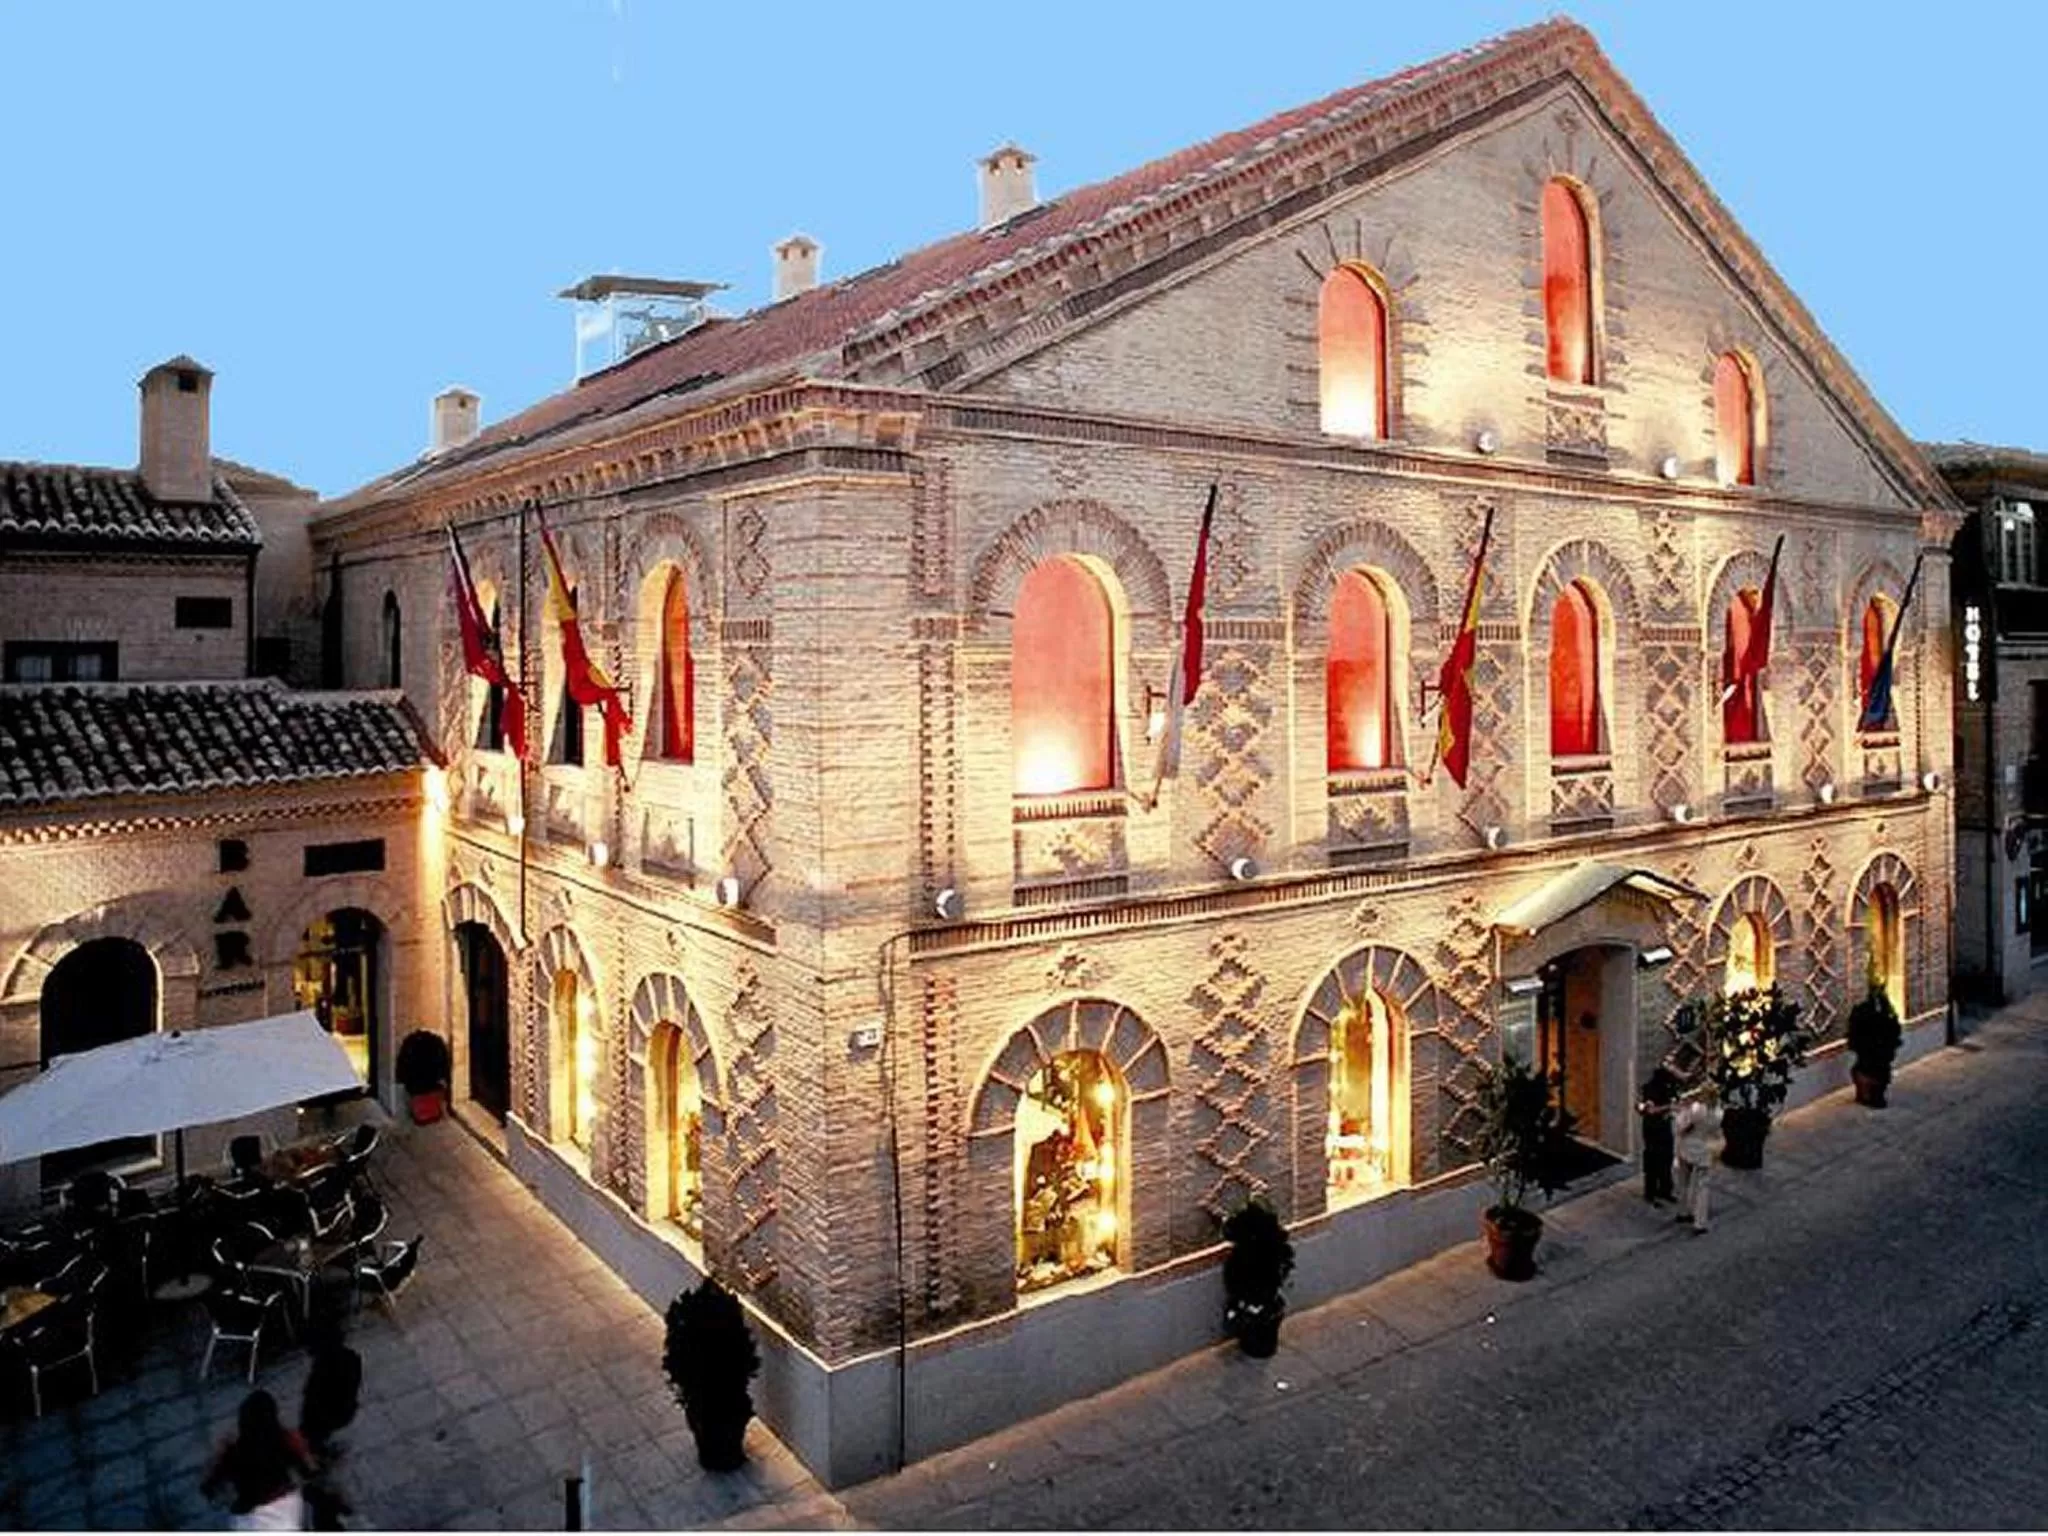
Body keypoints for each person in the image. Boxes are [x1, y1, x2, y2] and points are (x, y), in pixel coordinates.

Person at [202, 1389, 317, 1530]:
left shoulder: (233, 1451)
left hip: (249, 1516)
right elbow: (310, 1471)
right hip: (285, 1507)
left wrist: (220, 1452)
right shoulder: (285, 1440)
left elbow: (209, 1486)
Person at [300, 1321, 363, 1530]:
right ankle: (333, 1502)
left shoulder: (321, 1370)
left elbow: (312, 1405)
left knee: (322, 1474)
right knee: (330, 1474)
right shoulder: (352, 1358)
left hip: (322, 1428)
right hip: (342, 1421)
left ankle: (327, 1502)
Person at [1673, 1085, 1722, 1234]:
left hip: (1687, 1148)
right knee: (1703, 1187)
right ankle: (1700, 1222)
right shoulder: (1719, 1112)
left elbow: (1680, 1126)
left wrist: (1682, 1109)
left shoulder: (1696, 1109)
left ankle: (1682, 1211)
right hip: (1704, 1151)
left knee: (1683, 1181)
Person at [1637, 1067, 1679, 1206]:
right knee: (1653, 1161)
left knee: (1667, 1158)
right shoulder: (1649, 1089)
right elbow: (1649, 1110)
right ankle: (1651, 1193)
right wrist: (1669, 1107)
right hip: (1652, 1130)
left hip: (1664, 1127)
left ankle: (1665, 1190)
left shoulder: (1668, 1087)